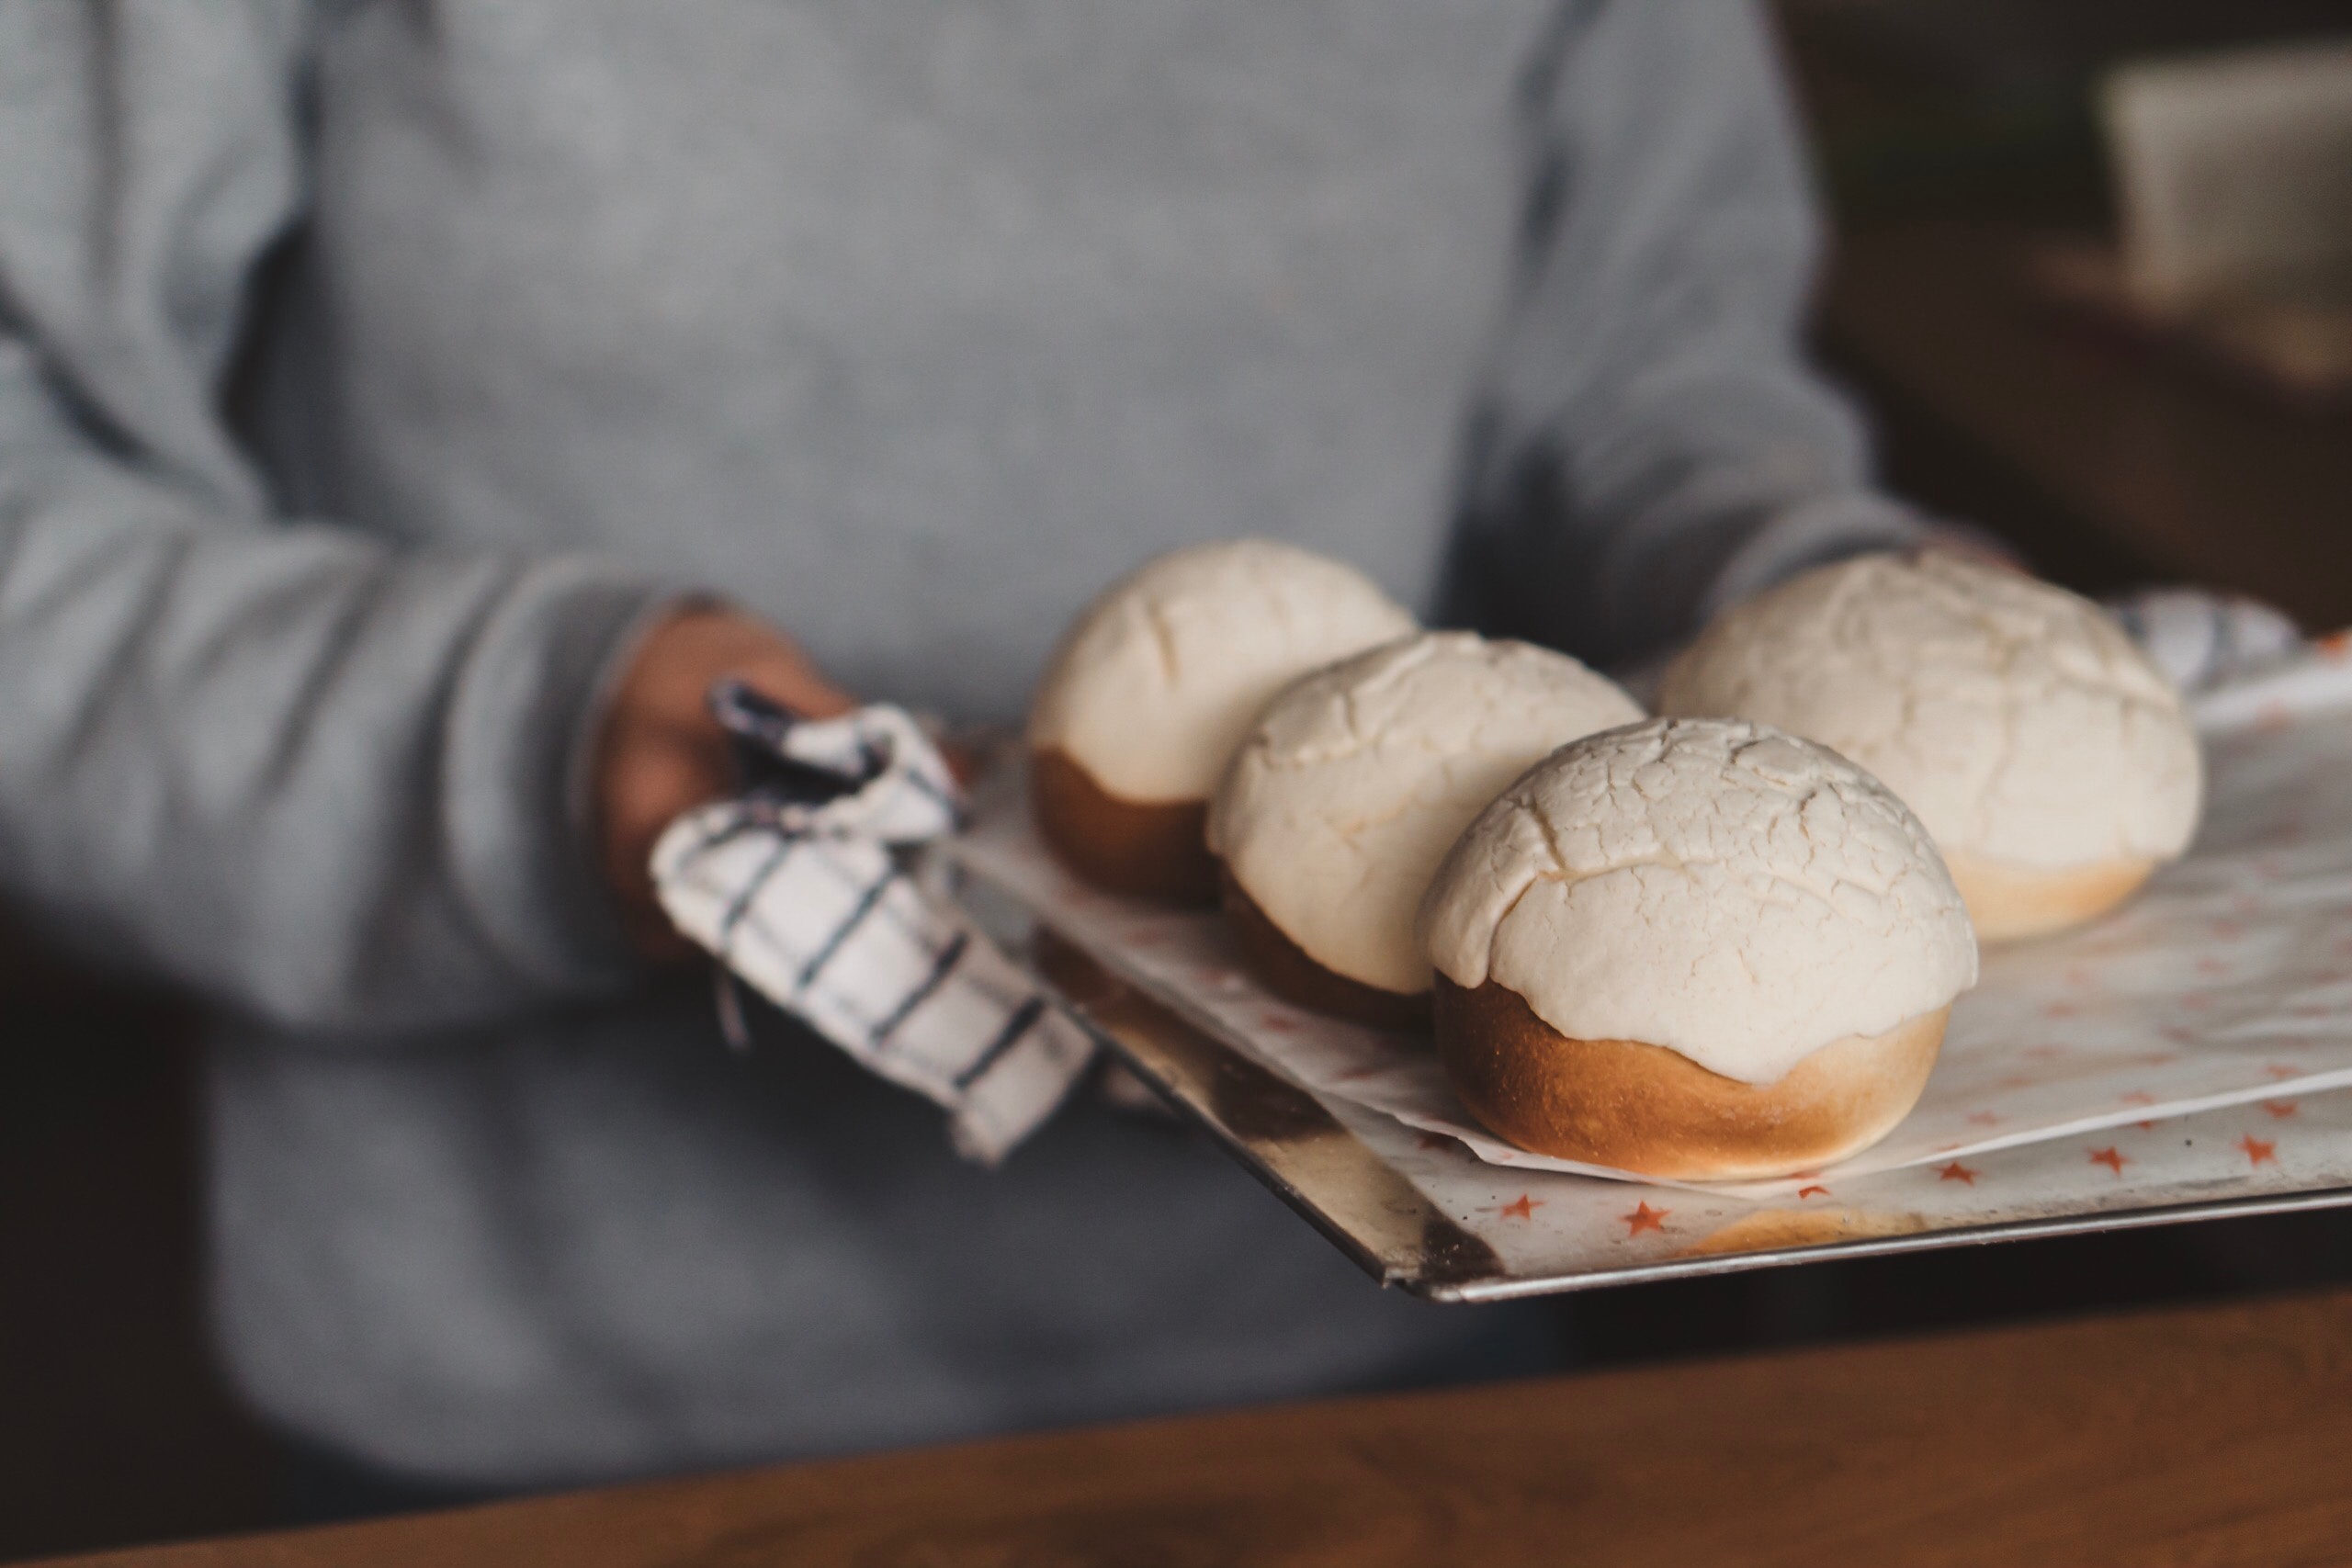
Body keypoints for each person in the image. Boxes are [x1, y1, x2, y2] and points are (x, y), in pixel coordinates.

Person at [0, 0, 1936, 1504]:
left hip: (1392, 1360)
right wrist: (520, 741)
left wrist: (1845, 611)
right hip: (524, 1424)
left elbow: (1643, 380)